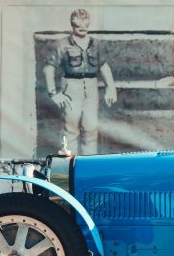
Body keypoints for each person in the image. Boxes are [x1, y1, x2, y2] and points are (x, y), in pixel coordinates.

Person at [42, 9, 117, 155]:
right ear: (72, 24)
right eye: (79, 24)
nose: (83, 27)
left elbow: (103, 66)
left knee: (91, 127)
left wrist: (111, 88)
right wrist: (53, 93)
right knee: (70, 128)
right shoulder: (62, 44)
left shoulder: (96, 44)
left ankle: (90, 165)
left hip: (91, 86)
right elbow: (48, 69)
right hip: (71, 86)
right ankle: (69, 164)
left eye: (85, 24)